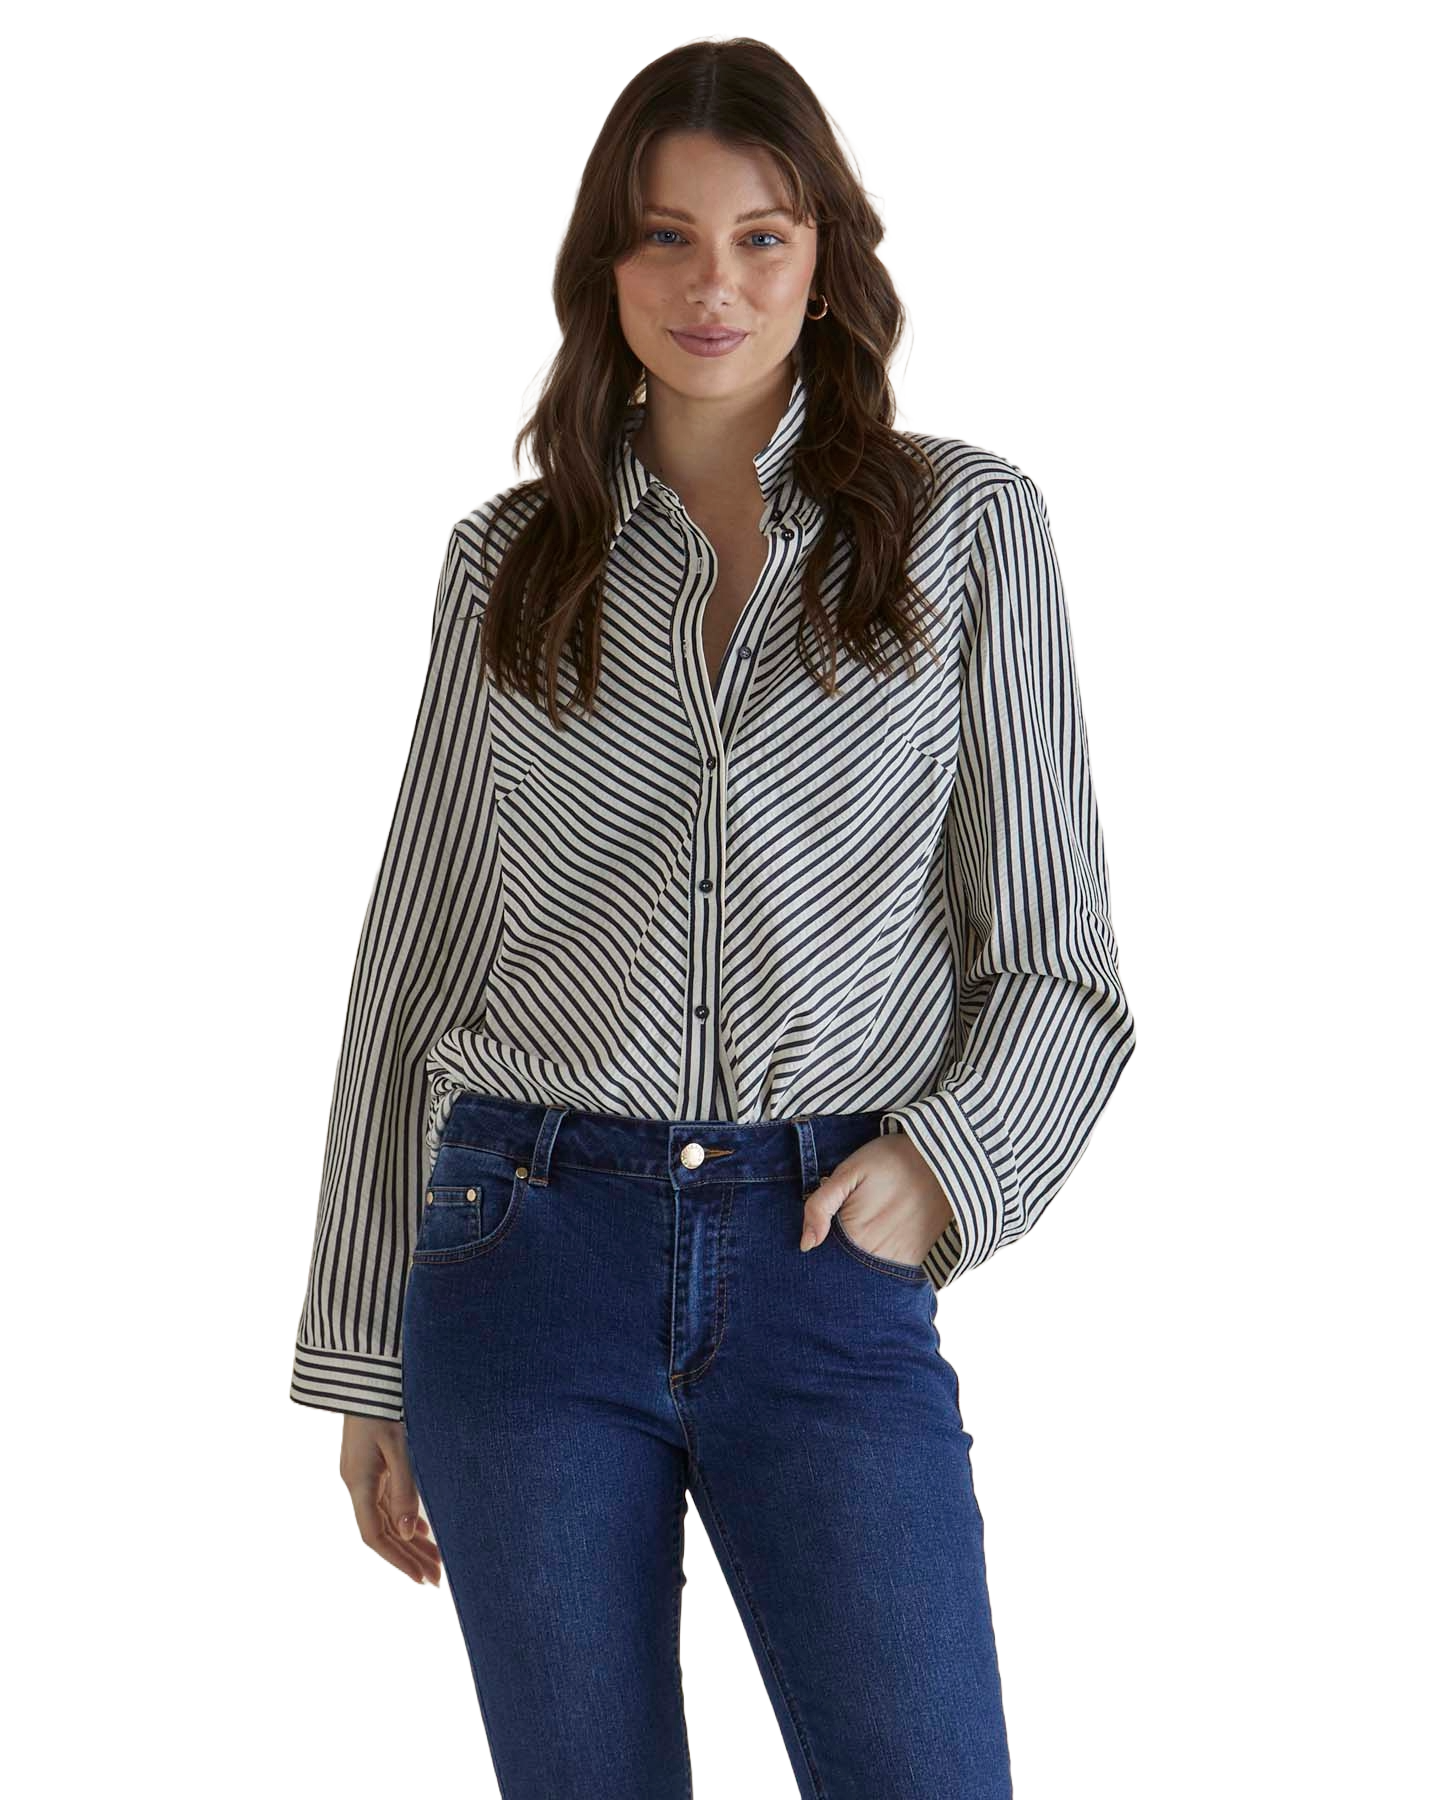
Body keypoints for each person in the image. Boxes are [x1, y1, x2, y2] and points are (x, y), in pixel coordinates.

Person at [289, 32, 1136, 1800]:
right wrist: (365, 1362)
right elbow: (415, 967)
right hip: (523, 1253)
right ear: (606, 265)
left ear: (827, 257)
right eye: (666, 236)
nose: (714, 285)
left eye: (761, 236)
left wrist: (943, 1168)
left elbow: (1060, 962)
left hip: (824, 1256)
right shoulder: (506, 557)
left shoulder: (969, 528)